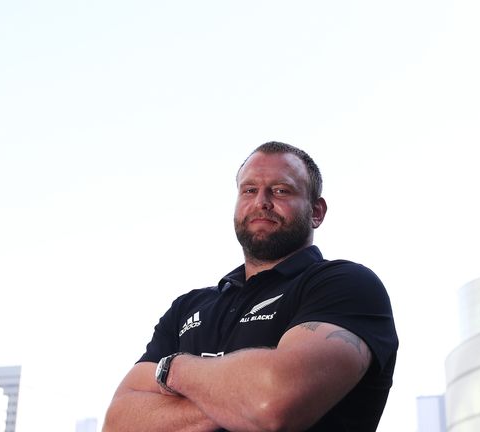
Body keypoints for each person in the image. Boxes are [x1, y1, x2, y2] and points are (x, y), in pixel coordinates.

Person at [103, 142, 398, 432]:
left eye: (281, 190)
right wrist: (237, 397)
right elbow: (117, 423)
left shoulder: (345, 285)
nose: (261, 201)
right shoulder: (188, 307)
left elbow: (271, 405)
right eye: (249, 190)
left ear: (316, 212)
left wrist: (171, 369)